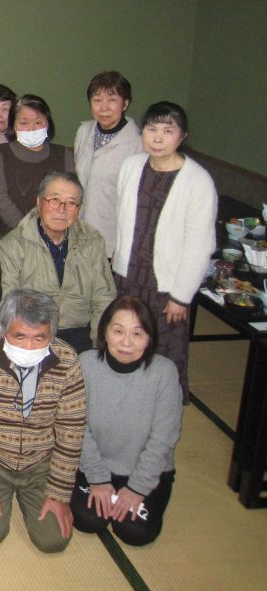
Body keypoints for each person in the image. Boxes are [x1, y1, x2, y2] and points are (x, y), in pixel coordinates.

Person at [0, 289, 86, 553]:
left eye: (39, 338)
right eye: (19, 336)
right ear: (4, 330)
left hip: (41, 462)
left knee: (53, 540)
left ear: (51, 334)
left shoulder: (68, 361)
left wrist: (59, 493)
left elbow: (72, 430)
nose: (28, 347)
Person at [113, 101, 216, 402]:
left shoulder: (197, 181)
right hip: (128, 276)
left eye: (168, 131)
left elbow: (200, 245)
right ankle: (124, 398)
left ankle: (164, 404)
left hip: (167, 286)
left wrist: (181, 296)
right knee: (124, 341)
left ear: (182, 137)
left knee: (164, 353)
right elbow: (122, 218)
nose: (157, 137)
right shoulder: (131, 166)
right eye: (151, 129)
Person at [71, 295, 182, 547]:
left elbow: (164, 438)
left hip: (143, 470)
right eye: (118, 331)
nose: (126, 342)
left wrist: (137, 488)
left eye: (137, 334)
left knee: (135, 532)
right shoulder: (86, 363)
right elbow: (76, 426)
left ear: (150, 337)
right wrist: (98, 478)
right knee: (87, 519)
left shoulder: (164, 372)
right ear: (105, 331)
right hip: (95, 465)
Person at [0, 172, 116, 354]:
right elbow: (9, 304)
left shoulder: (92, 241)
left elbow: (104, 298)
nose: (62, 209)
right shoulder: (12, 245)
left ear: (79, 208)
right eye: (54, 200)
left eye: (71, 203)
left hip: (81, 333)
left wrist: (98, 346)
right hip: (34, 334)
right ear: (39, 202)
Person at [73, 71, 144, 257]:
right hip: (79, 232)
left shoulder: (138, 143)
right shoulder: (84, 132)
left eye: (112, 100)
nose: (104, 107)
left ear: (125, 103)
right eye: (97, 100)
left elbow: (137, 201)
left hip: (113, 239)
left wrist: (125, 246)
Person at [0, 94, 74, 236]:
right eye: (24, 123)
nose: (31, 128)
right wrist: (28, 229)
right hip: (10, 235)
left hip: (55, 235)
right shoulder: (0, 153)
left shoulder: (63, 154)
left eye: (38, 122)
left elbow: (71, 196)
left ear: (47, 124)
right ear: (14, 125)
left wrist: (49, 230)